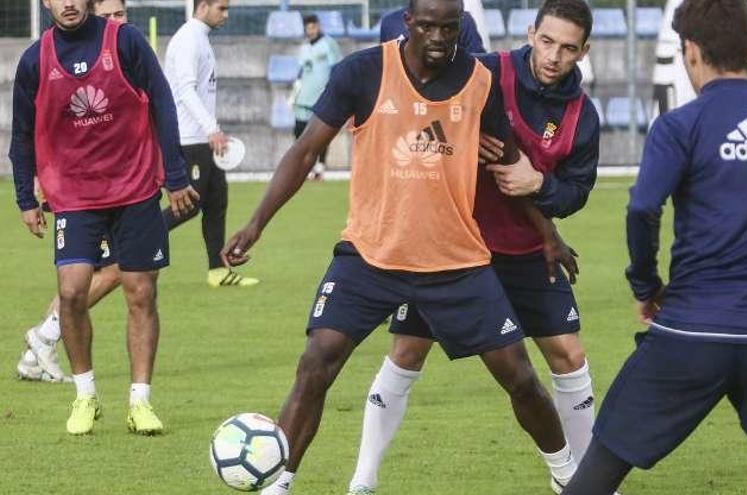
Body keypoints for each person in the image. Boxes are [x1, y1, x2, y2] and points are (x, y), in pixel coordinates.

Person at [222, 0, 580, 492]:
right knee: (316, 361)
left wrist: (549, 236)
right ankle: (278, 483)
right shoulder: (362, 72)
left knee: (518, 376)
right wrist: (255, 224)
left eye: (449, 28)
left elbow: (509, 163)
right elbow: (305, 151)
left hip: (455, 261)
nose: (438, 36)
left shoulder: (479, 82)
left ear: (461, 27)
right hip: (371, 255)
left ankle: (568, 478)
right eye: (428, 26)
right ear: (408, 23)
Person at [561, 1, 747, 494]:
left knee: (600, 468)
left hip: (690, 331)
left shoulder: (679, 126)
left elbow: (642, 209)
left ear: (690, 52)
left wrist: (647, 285)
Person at [347, 1, 603, 494]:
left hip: (529, 250)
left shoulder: (580, 115)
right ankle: (363, 479)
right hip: (452, 248)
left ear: (583, 51)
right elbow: (422, 89)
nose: (553, 56)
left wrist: (538, 184)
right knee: (406, 351)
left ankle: (587, 481)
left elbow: (575, 194)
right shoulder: (484, 72)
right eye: (547, 41)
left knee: (569, 355)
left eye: (568, 48)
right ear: (531, 32)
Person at [10, 0, 198, 435]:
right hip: (73, 196)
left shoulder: (126, 41)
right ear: (46, 2)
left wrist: (173, 174)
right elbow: (21, 133)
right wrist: (25, 197)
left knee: (140, 293)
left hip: (134, 190)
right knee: (73, 291)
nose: (70, 3)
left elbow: (163, 105)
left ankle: (140, 401)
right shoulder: (35, 59)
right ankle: (85, 396)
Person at [14, 0, 130, 386]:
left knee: (91, 274)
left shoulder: (122, 49)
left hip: (116, 184)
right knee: (111, 271)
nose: (115, 21)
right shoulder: (53, 57)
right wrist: (29, 188)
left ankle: (36, 353)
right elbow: (40, 126)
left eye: (120, 14)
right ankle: (45, 335)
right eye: (108, 15)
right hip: (76, 187)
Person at [164, 0, 259, 287]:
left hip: (202, 137)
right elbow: (185, 90)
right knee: (190, 205)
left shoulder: (200, 38)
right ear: (202, 6)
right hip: (189, 138)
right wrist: (211, 129)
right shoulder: (188, 40)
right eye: (222, 8)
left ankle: (218, 271)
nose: (226, 15)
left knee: (217, 201)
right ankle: (124, 245)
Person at [289, 14, 341, 179]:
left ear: (318, 26)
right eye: (307, 28)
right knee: (299, 131)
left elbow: (336, 68)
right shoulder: (304, 48)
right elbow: (301, 71)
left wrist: (332, 91)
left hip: (321, 97)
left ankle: (320, 168)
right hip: (304, 98)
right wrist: (294, 91)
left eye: (313, 27)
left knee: (321, 135)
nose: (310, 31)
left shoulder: (328, 44)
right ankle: (301, 168)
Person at [380, 4, 486, 54]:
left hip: (452, 93)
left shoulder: (462, 20)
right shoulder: (390, 23)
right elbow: (386, 66)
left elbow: (479, 64)